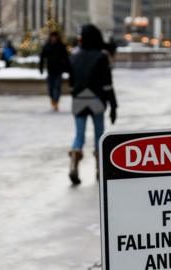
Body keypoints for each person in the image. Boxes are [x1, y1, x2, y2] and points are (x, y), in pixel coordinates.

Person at [68, 24, 118, 185]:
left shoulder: (74, 55)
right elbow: (107, 84)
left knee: (79, 135)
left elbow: (71, 81)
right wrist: (113, 106)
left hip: (79, 99)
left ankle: (74, 158)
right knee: (99, 136)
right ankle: (99, 170)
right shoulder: (101, 56)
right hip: (96, 98)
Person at [39, 32, 70, 112]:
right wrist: (41, 69)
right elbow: (42, 57)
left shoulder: (61, 46)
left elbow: (66, 58)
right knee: (50, 88)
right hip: (50, 71)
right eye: (52, 37)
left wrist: (67, 68)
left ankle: (56, 102)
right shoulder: (47, 46)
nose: (53, 39)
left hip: (58, 71)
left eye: (54, 37)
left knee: (57, 87)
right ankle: (53, 100)